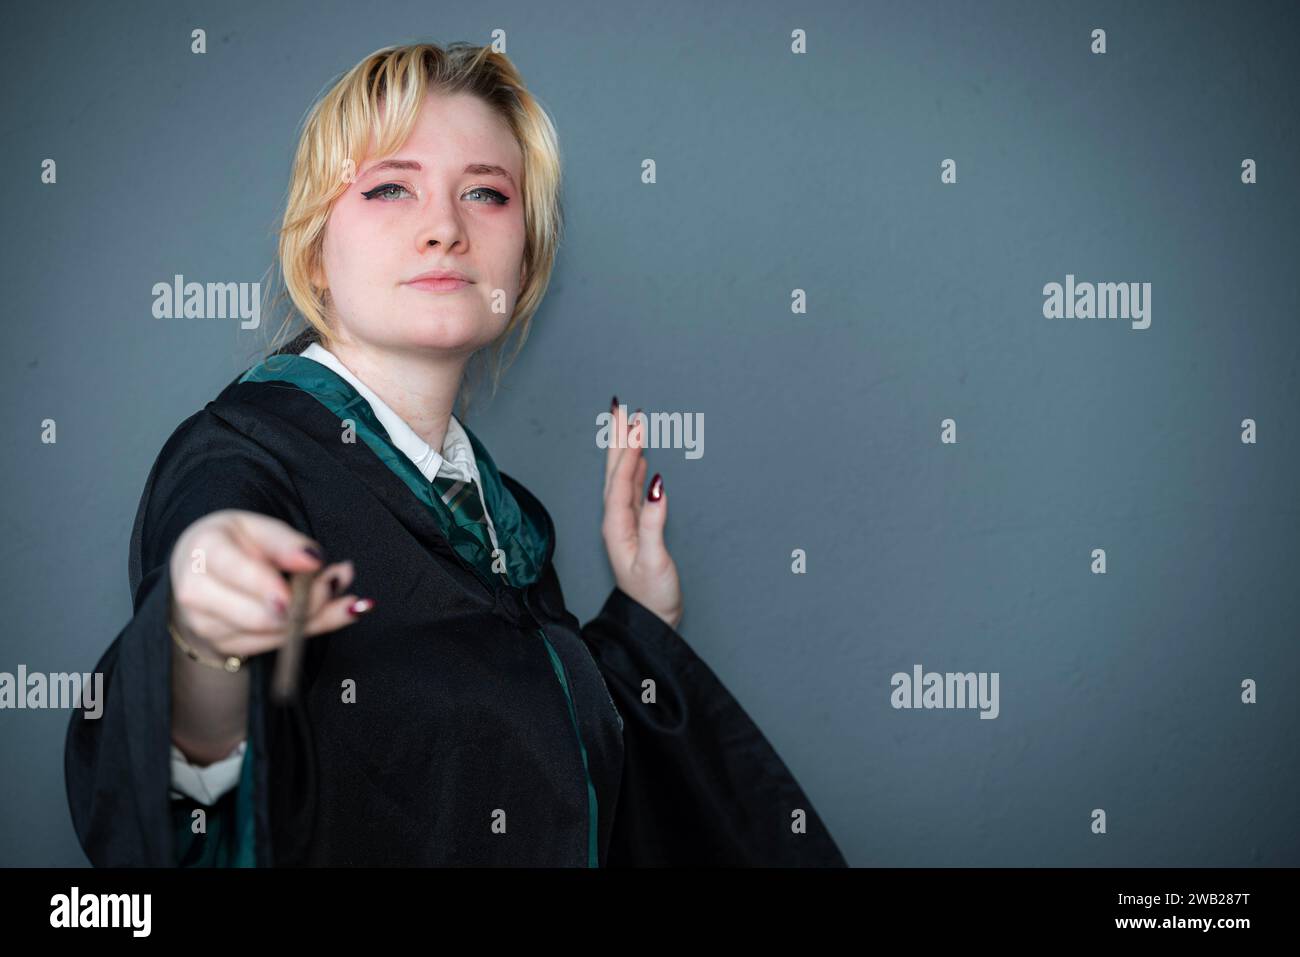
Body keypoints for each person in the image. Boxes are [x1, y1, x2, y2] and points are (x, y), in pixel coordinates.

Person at [64, 41, 846, 867]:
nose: (444, 228)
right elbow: (186, 798)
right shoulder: (240, 464)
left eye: (485, 192)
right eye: (390, 187)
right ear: (314, 248)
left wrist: (642, 625)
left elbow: (517, 767)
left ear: (529, 252)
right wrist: (200, 649)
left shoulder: (507, 518)